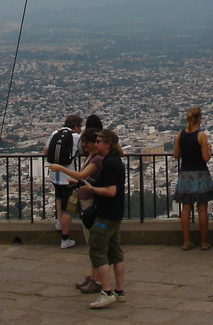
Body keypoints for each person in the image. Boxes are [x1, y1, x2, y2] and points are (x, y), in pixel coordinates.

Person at [50, 129, 104, 294]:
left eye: (86, 144)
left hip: (90, 202)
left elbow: (82, 174)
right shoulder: (91, 157)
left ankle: (98, 280)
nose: (84, 147)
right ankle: (93, 276)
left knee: (94, 242)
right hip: (84, 199)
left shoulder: (97, 159)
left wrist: (60, 168)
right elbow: (83, 177)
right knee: (91, 242)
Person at [84, 129, 126, 309]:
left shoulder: (110, 164)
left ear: (108, 144)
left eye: (99, 141)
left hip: (106, 213)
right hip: (116, 213)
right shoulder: (114, 161)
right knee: (116, 252)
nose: (96, 144)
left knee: (97, 250)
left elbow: (111, 191)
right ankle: (119, 291)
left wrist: (91, 189)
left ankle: (107, 291)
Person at [173, 106, 213, 250]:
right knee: (202, 208)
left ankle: (186, 241)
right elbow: (205, 158)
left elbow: (176, 154)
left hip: (185, 174)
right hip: (200, 174)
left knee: (186, 208)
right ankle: (203, 242)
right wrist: (209, 149)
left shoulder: (180, 134)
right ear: (200, 119)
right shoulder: (201, 136)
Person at [44, 114, 82, 249]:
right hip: (68, 177)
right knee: (68, 208)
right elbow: (84, 151)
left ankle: (59, 222)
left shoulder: (55, 133)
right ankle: (65, 239)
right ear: (76, 126)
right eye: (80, 127)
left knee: (59, 197)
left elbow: (46, 151)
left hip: (54, 174)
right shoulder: (77, 137)